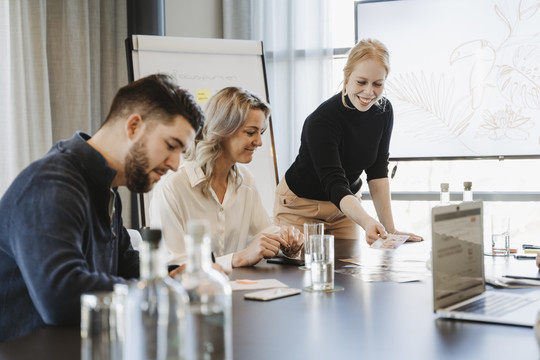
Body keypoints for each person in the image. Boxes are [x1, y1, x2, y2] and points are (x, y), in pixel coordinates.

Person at [0, 74, 204, 342]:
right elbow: (62, 297)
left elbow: (125, 267)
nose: (176, 164)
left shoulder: (105, 187)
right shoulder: (51, 184)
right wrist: (160, 290)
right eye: (170, 146)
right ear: (133, 126)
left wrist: (172, 277)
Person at [274, 39, 423, 244]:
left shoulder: (383, 111)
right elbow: (334, 182)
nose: (369, 92)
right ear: (347, 76)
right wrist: (368, 221)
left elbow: (378, 172)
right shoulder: (322, 120)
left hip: (344, 209)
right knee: (301, 271)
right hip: (300, 207)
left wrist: (390, 230)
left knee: (348, 271)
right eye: (361, 82)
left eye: (378, 84)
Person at [150, 86, 303, 273]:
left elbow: (263, 231)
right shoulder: (172, 187)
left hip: (239, 292)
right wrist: (237, 258)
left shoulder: (246, 180)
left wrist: (287, 240)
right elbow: (173, 266)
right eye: (250, 132)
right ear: (222, 130)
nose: (259, 142)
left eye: (260, 133)